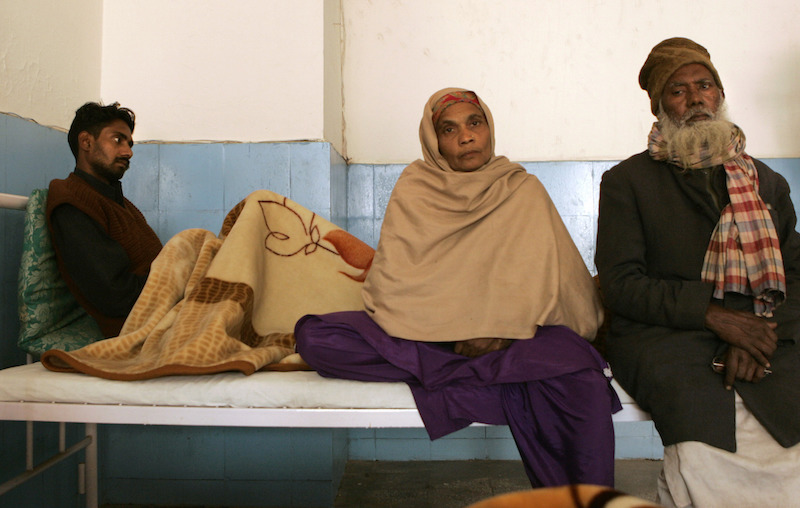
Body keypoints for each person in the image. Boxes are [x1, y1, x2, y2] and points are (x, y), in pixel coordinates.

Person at [295, 88, 621, 488]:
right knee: (316, 336)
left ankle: (480, 377)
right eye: (449, 129)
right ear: (435, 143)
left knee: (578, 373)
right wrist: (454, 331)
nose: (466, 136)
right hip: (432, 339)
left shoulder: (521, 189)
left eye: (474, 123)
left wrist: (500, 331)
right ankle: (498, 379)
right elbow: (393, 284)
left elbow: (552, 283)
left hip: (514, 337)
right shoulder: (415, 188)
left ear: (488, 129)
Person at [596, 37, 800, 507]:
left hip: (762, 332)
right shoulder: (627, 182)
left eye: (704, 86)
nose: (695, 100)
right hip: (667, 337)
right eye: (678, 91)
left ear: (719, 93)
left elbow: (794, 277)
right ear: (660, 106)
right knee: (702, 439)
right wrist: (717, 318)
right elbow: (623, 286)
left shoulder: (767, 182)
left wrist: (757, 333)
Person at [46, 102, 162, 337]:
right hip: (142, 327)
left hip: (169, 310)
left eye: (129, 144)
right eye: (118, 140)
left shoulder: (121, 204)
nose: (128, 152)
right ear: (86, 142)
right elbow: (115, 296)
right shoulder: (71, 199)